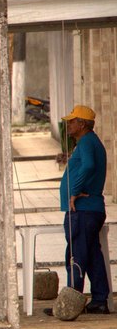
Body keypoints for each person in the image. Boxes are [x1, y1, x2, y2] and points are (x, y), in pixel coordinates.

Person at [48, 105, 109, 315]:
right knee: (91, 255)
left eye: (72, 121)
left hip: (83, 209)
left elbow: (89, 166)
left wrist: (74, 191)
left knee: (76, 255)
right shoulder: (90, 142)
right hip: (90, 209)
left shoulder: (86, 142)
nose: (68, 124)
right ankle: (100, 299)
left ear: (82, 124)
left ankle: (70, 302)